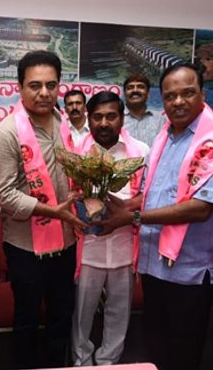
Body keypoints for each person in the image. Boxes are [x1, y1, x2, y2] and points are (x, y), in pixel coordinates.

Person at [104, 63, 213, 370]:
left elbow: (201, 208)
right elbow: (153, 194)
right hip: (155, 266)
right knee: (154, 345)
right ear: (162, 100)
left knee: (182, 352)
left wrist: (135, 218)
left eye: (187, 93)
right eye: (170, 96)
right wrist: (119, 206)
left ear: (203, 95)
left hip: (189, 271)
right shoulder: (165, 138)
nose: (178, 102)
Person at [0, 50, 87, 368]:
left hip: (67, 242)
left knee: (61, 316)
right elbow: (2, 195)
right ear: (19, 87)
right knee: (27, 319)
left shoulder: (66, 124)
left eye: (51, 85)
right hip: (26, 248)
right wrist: (54, 211)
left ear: (60, 86)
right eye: (34, 85)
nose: (44, 92)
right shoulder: (6, 134)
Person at [70, 91, 149, 366]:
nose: (104, 123)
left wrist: (123, 209)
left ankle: (109, 362)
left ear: (121, 119)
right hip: (88, 246)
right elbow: (67, 195)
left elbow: (149, 196)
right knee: (82, 312)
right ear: (89, 120)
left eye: (111, 116)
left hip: (125, 245)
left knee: (119, 311)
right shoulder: (75, 152)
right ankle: (81, 361)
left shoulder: (140, 152)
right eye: (98, 117)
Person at [122, 72, 167, 146]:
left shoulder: (160, 121)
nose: (135, 90)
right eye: (130, 87)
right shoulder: (116, 119)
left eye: (140, 87)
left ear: (148, 94)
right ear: (124, 94)